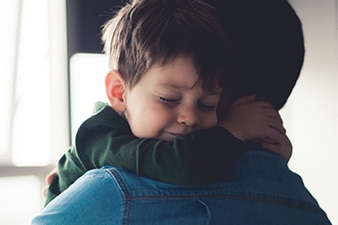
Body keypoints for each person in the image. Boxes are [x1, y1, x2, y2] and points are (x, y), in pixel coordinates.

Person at [32, 0, 333, 224]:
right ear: (119, 92)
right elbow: (183, 163)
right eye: (167, 98)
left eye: (206, 105)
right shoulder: (306, 204)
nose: (189, 118)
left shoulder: (113, 194)